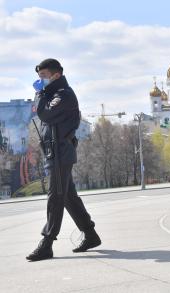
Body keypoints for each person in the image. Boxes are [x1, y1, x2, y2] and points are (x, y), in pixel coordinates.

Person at [26, 59, 101, 261]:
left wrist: (40, 93)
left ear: (56, 75)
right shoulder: (52, 94)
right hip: (54, 152)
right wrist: (42, 93)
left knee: (55, 197)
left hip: (61, 154)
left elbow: (45, 114)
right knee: (67, 197)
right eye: (39, 77)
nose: (40, 80)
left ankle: (47, 243)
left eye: (44, 76)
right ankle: (91, 235)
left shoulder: (63, 95)